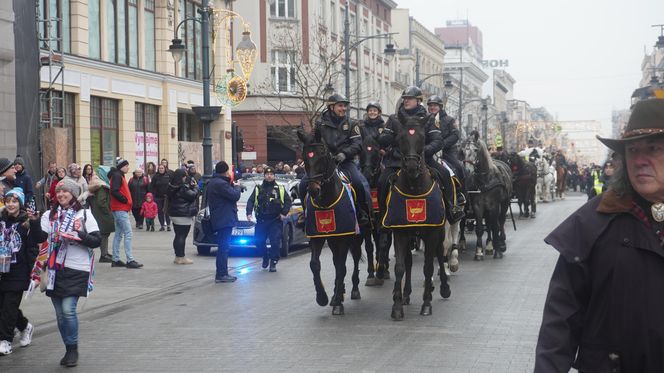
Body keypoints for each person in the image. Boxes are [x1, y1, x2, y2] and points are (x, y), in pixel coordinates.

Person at [535, 98, 664, 372]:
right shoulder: (594, 220)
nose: (639, 160)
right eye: (632, 150)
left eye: (652, 148)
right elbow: (560, 318)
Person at [41, 179, 101, 367]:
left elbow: (96, 240)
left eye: (65, 191)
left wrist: (78, 235)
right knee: (59, 314)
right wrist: (33, 224)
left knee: (68, 310)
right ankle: (68, 347)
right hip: (54, 270)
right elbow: (40, 240)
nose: (61, 195)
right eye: (58, 192)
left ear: (73, 194)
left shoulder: (84, 214)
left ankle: (73, 348)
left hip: (77, 267)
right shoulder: (48, 216)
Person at [297, 93, 371, 225]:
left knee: (358, 183)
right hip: (325, 165)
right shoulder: (320, 124)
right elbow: (313, 141)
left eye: (345, 106)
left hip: (345, 162)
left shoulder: (352, 123)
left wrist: (344, 154)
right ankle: (305, 214)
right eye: (340, 106)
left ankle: (361, 213)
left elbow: (357, 144)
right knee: (303, 185)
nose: (343, 108)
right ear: (331, 107)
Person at [0, 188, 43, 355]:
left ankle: (5, 341)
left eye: (15, 201)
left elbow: (38, 241)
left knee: (9, 307)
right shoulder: (1, 219)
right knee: (3, 306)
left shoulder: (27, 221)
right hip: (2, 270)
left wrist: (35, 222)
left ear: (21, 203)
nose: (11, 204)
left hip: (18, 270)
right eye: (8, 200)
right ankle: (25, 326)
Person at [426, 95, 466, 219]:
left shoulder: (449, 120)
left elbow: (455, 135)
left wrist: (442, 144)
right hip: (429, 152)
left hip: (447, 152)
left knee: (459, 167)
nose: (433, 107)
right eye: (431, 105)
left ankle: (460, 195)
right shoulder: (426, 120)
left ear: (440, 107)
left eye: (435, 105)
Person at [246, 167, 291, 272]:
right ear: (264, 176)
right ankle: (265, 256)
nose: (269, 176)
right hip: (261, 220)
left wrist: (283, 213)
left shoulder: (280, 188)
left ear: (274, 176)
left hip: (275, 220)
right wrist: (248, 213)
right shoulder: (258, 188)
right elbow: (251, 201)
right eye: (267, 174)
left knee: (275, 242)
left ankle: (273, 262)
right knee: (258, 241)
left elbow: (288, 201)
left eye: (271, 174)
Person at [207, 161, 241, 283]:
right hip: (224, 218)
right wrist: (237, 186)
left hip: (220, 217)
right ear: (225, 171)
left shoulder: (214, 182)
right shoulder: (220, 184)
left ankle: (222, 273)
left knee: (223, 246)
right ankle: (221, 274)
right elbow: (234, 196)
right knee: (224, 247)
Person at [108, 158, 143, 268]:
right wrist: (125, 200)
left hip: (120, 209)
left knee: (119, 234)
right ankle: (130, 260)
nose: (128, 167)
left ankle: (115, 259)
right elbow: (114, 190)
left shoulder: (118, 175)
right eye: (126, 165)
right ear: (121, 166)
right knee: (128, 233)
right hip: (120, 208)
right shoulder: (118, 175)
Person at [167, 169, 199, 264]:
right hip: (183, 214)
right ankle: (181, 257)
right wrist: (196, 188)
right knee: (181, 236)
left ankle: (177, 256)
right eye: (184, 176)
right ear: (181, 177)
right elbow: (193, 195)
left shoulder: (172, 186)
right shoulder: (182, 187)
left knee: (178, 235)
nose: (186, 178)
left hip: (174, 213)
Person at [87, 170, 114, 263]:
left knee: (105, 234)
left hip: (98, 214)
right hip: (102, 214)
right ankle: (104, 255)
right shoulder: (102, 187)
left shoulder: (98, 187)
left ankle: (105, 252)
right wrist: (108, 211)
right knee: (104, 234)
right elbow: (101, 202)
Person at [150, 164, 171, 231]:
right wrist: (153, 195)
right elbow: (152, 186)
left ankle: (168, 225)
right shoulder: (155, 176)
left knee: (167, 211)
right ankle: (162, 225)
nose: (161, 169)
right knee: (160, 212)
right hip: (158, 197)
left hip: (166, 197)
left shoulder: (168, 175)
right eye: (159, 168)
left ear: (164, 169)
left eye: (162, 168)